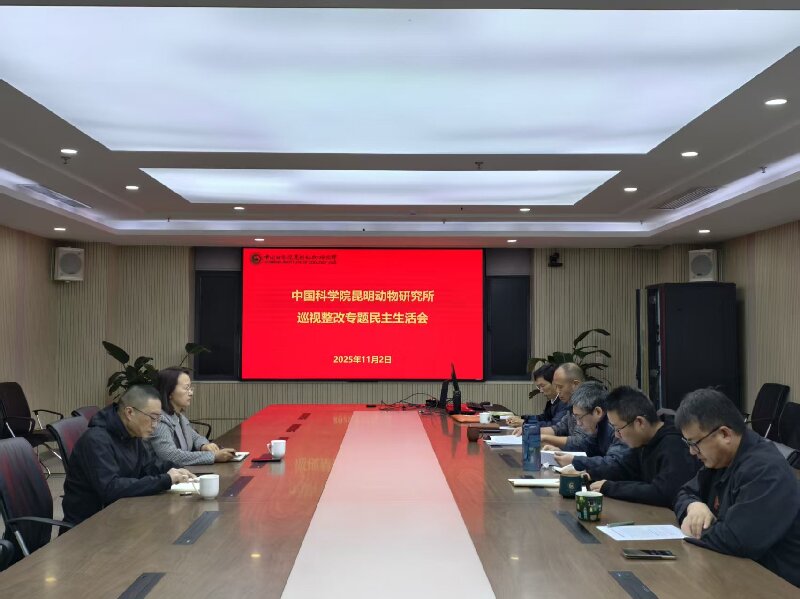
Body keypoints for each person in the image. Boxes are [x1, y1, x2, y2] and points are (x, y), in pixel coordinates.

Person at [673, 388, 800, 588]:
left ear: (724, 434)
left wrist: (695, 529)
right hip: (737, 573)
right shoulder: (721, 459)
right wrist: (694, 506)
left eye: (694, 443)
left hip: (778, 585)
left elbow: (737, 540)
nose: (691, 451)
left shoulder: (765, 470)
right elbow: (684, 492)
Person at [63, 385, 196, 525]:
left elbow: (148, 466)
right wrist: (165, 480)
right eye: (153, 418)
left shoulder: (132, 434)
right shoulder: (96, 440)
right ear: (130, 413)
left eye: (158, 419)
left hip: (122, 515)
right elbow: (111, 488)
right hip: (90, 526)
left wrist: (175, 470)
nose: (155, 425)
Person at [582, 386, 699, 507]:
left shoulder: (675, 445)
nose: (617, 435)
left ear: (639, 422)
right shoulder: (644, 441)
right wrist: (590, 475)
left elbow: (663, 493)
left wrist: (609, 487)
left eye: (618, 429)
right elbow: (624, 468)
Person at [150, 367, 236, 466]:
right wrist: (213, 456)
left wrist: (204, 446)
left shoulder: (179, 417)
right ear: (169, 392)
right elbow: (170, 455)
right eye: (186, 388)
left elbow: (195, 438)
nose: (191, 393)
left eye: (191, 388)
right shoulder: (160, 420)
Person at [550, 381, 629, 470]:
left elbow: (614, 463)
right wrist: (562, 452)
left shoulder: (617, 426)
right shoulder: (598, 424)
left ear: (597, 412)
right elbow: (589, 449)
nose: (578, 423)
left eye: (579, 417)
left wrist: (574, 461)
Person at [534, 362, 587, 448]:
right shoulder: (572, 405)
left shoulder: (588, 405)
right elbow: (559, 428)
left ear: (576, 385)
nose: (557, 391)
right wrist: (531, 431)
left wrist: (545, 438)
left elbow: (582, 442)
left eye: (560, 387)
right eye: (556, 387)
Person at [507, 363, 566, 431]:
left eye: (542, 386)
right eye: (539, 387)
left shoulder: (564, 402)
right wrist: (521, 417)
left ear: (555, 382)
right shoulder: (552, 401)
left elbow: (555, 426)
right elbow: (543, 418)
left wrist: (525, 423)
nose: (541, 390)